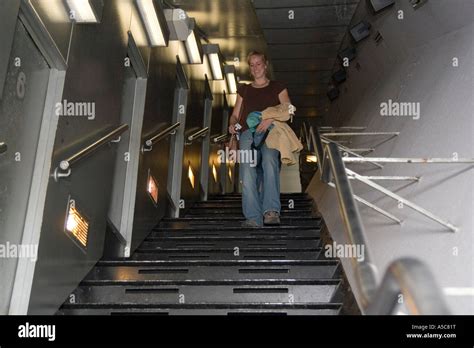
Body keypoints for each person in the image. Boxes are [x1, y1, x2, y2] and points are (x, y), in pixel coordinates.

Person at [228, 51, 291, 227]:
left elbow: (290, 109)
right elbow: (235, 115)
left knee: (270, 162)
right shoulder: (244, 90)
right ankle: (253, 218)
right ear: (250, 68)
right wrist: (232, 125)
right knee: (247, 171)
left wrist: (271, 118)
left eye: (258, 63)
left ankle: (271, 211)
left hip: (271, 131)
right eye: (252, 64)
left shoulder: (278, 87)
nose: (255, 67)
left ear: (265, 65)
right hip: (248, 132)